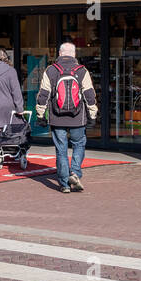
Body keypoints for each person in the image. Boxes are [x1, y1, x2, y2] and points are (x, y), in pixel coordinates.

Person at [36, 42, 98, 193]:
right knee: (79, 144)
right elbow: (89, 95)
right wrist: (92, 114)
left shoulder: (51, 70)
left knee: (61, 149)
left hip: (57, 118)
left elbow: (43, 95)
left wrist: (40, 114)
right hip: (78, 117)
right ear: (74, 54)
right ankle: (75, 173)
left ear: (60, 53)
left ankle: (64, 184)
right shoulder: (82, 71)